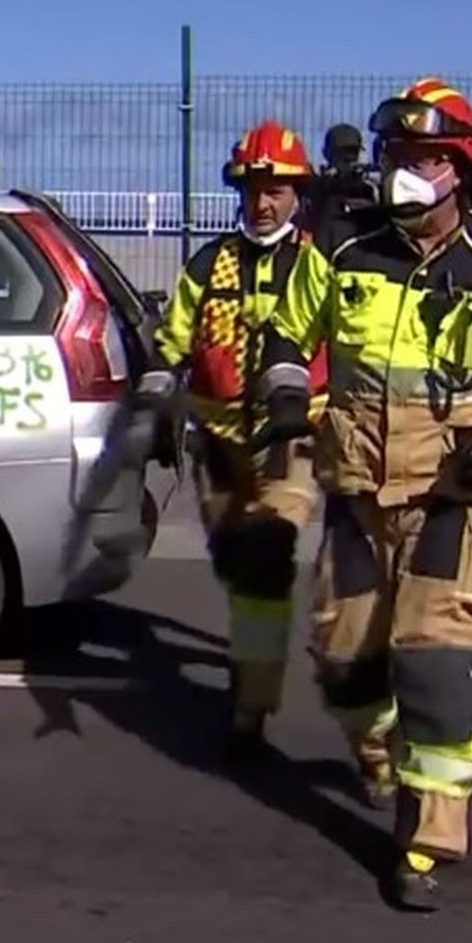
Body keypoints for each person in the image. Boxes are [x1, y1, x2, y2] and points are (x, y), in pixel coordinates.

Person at [254, 77, 472, 911]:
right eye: (396, 153)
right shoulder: (345, 247)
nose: (403, 170)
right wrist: (285, 394)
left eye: (423, 157)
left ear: (458, 168)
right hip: (358, 496)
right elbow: (288, 330)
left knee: (433, 667)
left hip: (452, 499)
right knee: (345, 662)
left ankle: (425, 841)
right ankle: (378, 754)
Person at [148, 120, 326, 751]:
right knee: (233, 563)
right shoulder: (209, 261)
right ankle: (253, 655)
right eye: (252, 189)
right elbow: (173, 337)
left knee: (265, 562)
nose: (262, 202)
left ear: (297, 194)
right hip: (217, 445)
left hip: (288, 443)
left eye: (275, 189)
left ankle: (250, 709)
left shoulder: (318, 263)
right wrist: (153, 389)